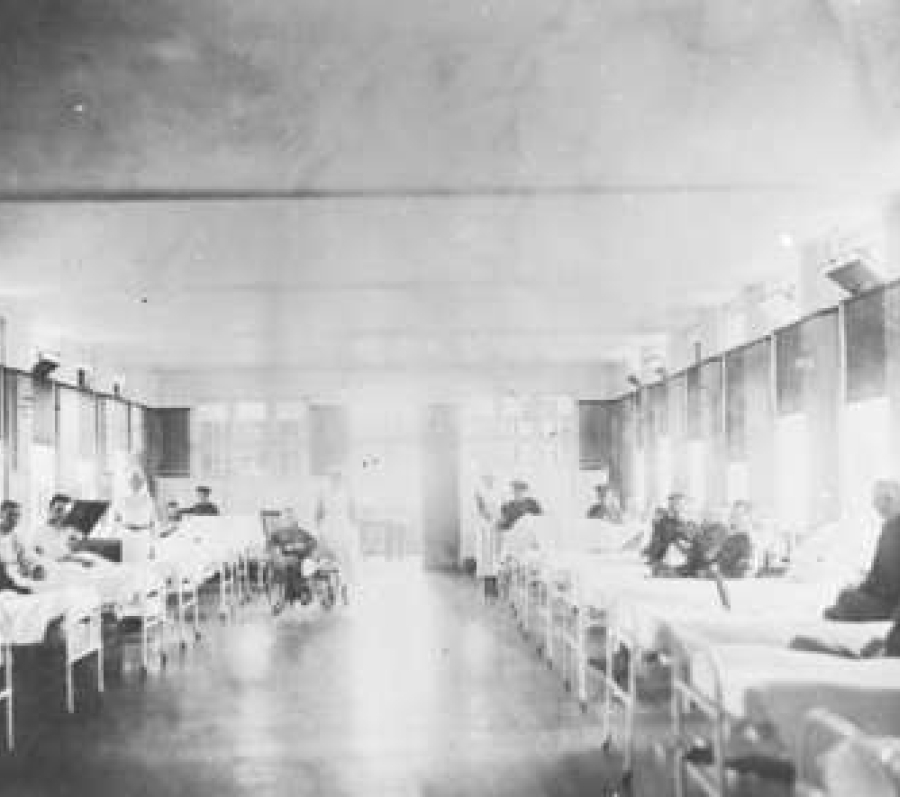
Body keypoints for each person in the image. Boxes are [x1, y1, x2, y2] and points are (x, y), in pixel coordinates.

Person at [823, 479, 900, 622]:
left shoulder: (893, 528)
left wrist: (865, 589)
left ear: (889, 500)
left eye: (877, 501)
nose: (875, 506)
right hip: (885, 596)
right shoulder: (889, 527)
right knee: (847, 595)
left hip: (891, 602)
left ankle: (844, 610)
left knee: (847, 599)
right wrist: (862, 588)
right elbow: (878, 572)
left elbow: (885, 577)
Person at [315, 470, 361, 604]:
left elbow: (353, 513)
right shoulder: (323, 492)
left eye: (338, 477)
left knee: (345, 562)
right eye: (333, 477)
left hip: (343, 528)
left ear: (342, 479)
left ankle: (344, 591)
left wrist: (353, 530)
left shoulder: (347, 492)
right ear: (329, 478)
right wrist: (319, 530)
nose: (335, 479)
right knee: (328, 560)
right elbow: (318, 513)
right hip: (328, 527)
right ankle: (328, 590)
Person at [642, 493, 698, 575]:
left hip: (681, 548)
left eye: (678, 503)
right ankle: (661, 565)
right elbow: (658, 536)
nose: (677, 505)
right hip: (667, 549)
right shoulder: (664, 519)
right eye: (674, 503)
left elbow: (691, 535)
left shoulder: (687, 518)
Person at [112, 470, 158, 562]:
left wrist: (153, 547)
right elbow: (116, 521)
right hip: (126, 536)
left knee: (142, 567)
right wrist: (113, 542)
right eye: (133, 481)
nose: (135, 483)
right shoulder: (122, 499)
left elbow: (153, 524)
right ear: (129, 483)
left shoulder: (149, 500)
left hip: (143, 537)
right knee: (126, 565)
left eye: (138, 481)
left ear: (142, 483)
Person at [0, 500, 44, 593]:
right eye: (10, 515)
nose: (14, 519)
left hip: (15, 573)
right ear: (1, 515)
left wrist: (36, 567)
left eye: (17, 516)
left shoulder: (16, 536)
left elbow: (25, 556)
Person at [474, 473, 502, 600]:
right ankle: (488, 589)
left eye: (491, 477)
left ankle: (496, 588)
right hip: (485, 528)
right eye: (486, 477)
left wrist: (498, 521)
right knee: (486, 558)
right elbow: (481, 509)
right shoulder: (479, 491)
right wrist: (490, 520)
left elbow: (501, 508)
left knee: (496, 556)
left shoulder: (498, 491)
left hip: (497, 527)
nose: (489, 479)